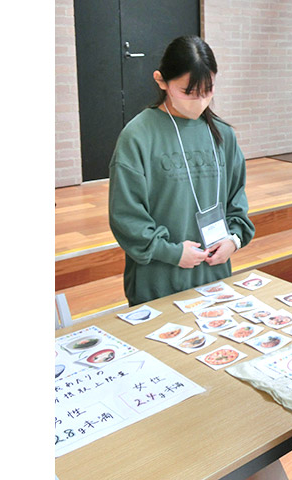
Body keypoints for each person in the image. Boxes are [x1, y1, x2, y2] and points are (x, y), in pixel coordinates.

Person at [108, 35, 255, 306]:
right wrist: (172, 252)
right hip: (159, 280)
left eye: (207, 91)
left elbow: (237, 201)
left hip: (214, 277)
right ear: (161, 81)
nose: (199, 101)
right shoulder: (138, 136)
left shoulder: (223, 135)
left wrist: (233, 240)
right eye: (188, 92)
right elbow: (126, 216)